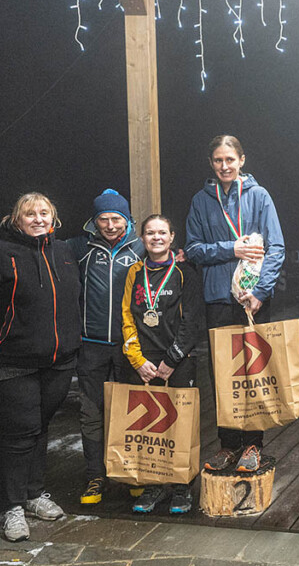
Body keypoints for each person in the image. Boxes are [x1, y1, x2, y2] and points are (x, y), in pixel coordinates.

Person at [0, 192, 81, 542]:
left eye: (44, 213)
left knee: (39, 427)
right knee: (18, 432)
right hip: (9, 363)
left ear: (54, 218)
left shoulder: (65, 252)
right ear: (16, 220)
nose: (38, 219)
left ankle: (34, 494)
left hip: (57, 363)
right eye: (30, 214)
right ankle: (11, 506)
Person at [186, 134, 285, 474]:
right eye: (218, 161)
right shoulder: (201, 200)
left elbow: (276, 248)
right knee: (223, 376)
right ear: (211, 164)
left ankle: (254, 444)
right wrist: (232, 249)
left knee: (253, 372)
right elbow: (194, 249)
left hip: (253, 300)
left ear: (242, 160)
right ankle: (228, 445)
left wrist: (261, 291)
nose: (224, 166)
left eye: (230, 159)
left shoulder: (259, 196)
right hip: (218, 298)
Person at [65, 189, 144, 505]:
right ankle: (95, 476)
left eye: (116, 219)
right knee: (92, 412)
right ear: (93, 221)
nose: (110, 226)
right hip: (92, 345)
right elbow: (39, 249)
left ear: (127, 219)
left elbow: (170, 263)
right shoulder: (80, 247)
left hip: (129, 346)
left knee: (131, 412)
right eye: (103, 219)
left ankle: (130, 474)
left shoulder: (141, 247)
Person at [121, 215, 203, 514]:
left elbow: (192, 321)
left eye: (162, 233)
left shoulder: (185, 273)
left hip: (178, 360)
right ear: (142, 238)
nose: (156, 238)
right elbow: (127, 318)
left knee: (181, 424)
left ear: (172, 237)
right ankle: (154, 485)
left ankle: (182, 488)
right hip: (144, 363)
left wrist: (172, 359)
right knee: (148, 427)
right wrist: (138, 360)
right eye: (150, 233)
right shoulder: (134, 272)